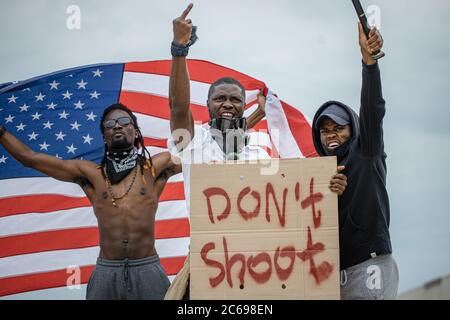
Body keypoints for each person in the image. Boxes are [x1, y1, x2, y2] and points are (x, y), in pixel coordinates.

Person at [164, 3, 348, 300]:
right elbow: (177, 107)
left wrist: (329, 187)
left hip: (258, 269)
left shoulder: (260, 150)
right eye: (219, 98)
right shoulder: (193, 142)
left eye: (235, 99)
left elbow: (294, 199)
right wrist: (179, 49)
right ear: (208, 105)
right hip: (208, 266)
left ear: (243, 105)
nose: (227, 104)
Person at [0, 103, 181, 300]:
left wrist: (218, 126)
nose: (117, 126)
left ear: (136, 132)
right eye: (110, 124)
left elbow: (198, 154)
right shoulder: (91, 174)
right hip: (107, 272)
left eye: (124, 122)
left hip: (147, 269)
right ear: (104, 136)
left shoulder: (153, 168)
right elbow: (30, 158)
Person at [311, 24, 399, 300]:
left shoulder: (366, 151)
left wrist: (368, 62)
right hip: (332, 275)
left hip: (369, 267)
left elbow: (373, 107)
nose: (331, 135)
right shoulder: (316, 174)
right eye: (324, 130)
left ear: (354, 129)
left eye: (338, 127)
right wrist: (328, 192)